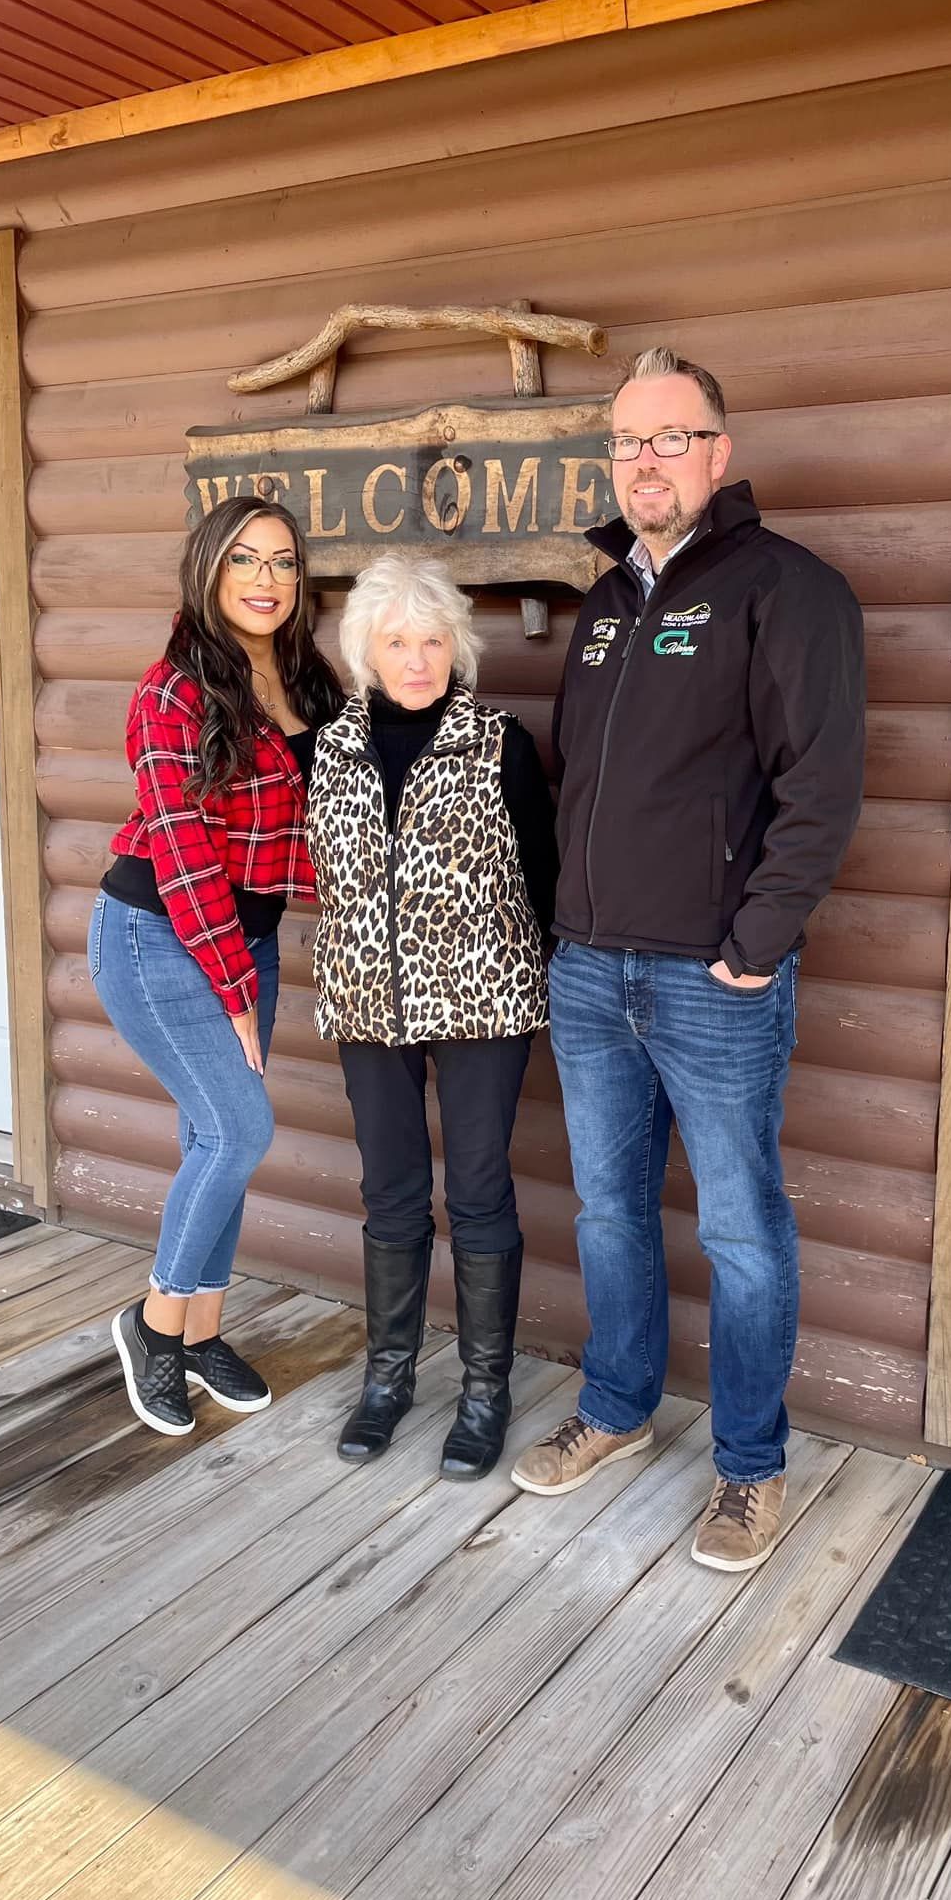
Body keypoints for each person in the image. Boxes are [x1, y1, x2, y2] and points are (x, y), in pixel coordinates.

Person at [511, 346, 866, 1573]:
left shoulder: (786, 588)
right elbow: (579, 783)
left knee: (741, 1229)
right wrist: (567, 928)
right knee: (609, 1208)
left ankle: (750, 1469)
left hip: (712, 982)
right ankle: (616, 1408)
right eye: (627, 441)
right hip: (592, 971)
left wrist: (756, 948)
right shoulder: (606, 606)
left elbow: (819, 789)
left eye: (670, 437)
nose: (646, 461)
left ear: (719, 450)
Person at [91, 496, 344, 1435]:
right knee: (238, 1132)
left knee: (213, 1137)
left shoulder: (310, 683)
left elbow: (310, 828)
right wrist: (234, 984)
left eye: (282, 563)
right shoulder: (172, 693)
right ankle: (154, 1323)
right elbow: (186, 849)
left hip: (251, 932)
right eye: (245, 560)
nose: (267, 580)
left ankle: (201, 1333)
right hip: (158, 931)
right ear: (209, 570)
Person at [306, 555, 558, 1481]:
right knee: (391, 1189)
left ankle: (484, 1391)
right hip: (368, 998)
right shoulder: (325, 749)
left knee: (481, 1188)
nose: (418, 659)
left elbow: (544, 874)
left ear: (459, 645)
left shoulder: (501, 743)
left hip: (486, 1000)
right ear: (365, 652)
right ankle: (389, 1378)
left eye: (434, 638)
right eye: (397, 641)